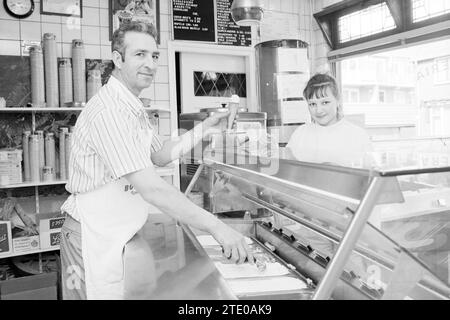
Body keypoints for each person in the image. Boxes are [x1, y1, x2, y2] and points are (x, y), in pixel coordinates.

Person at [60, 21, 254, 300]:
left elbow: (160, 154)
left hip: (115, 233)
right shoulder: (109, 110)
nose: (150, 64)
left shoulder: (132, 107)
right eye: (140, 54)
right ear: (118, 58)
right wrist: (217, 226)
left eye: (154, 56)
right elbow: (151, 188)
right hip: (91, 235)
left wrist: (206, 126)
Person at [285, 73, 374, 168]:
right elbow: (287, 168)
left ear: (338, 100)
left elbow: (367, 176)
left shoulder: (358, 136)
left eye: (325, 102)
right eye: (312, 104)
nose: (318, 110)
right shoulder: (300, 134)